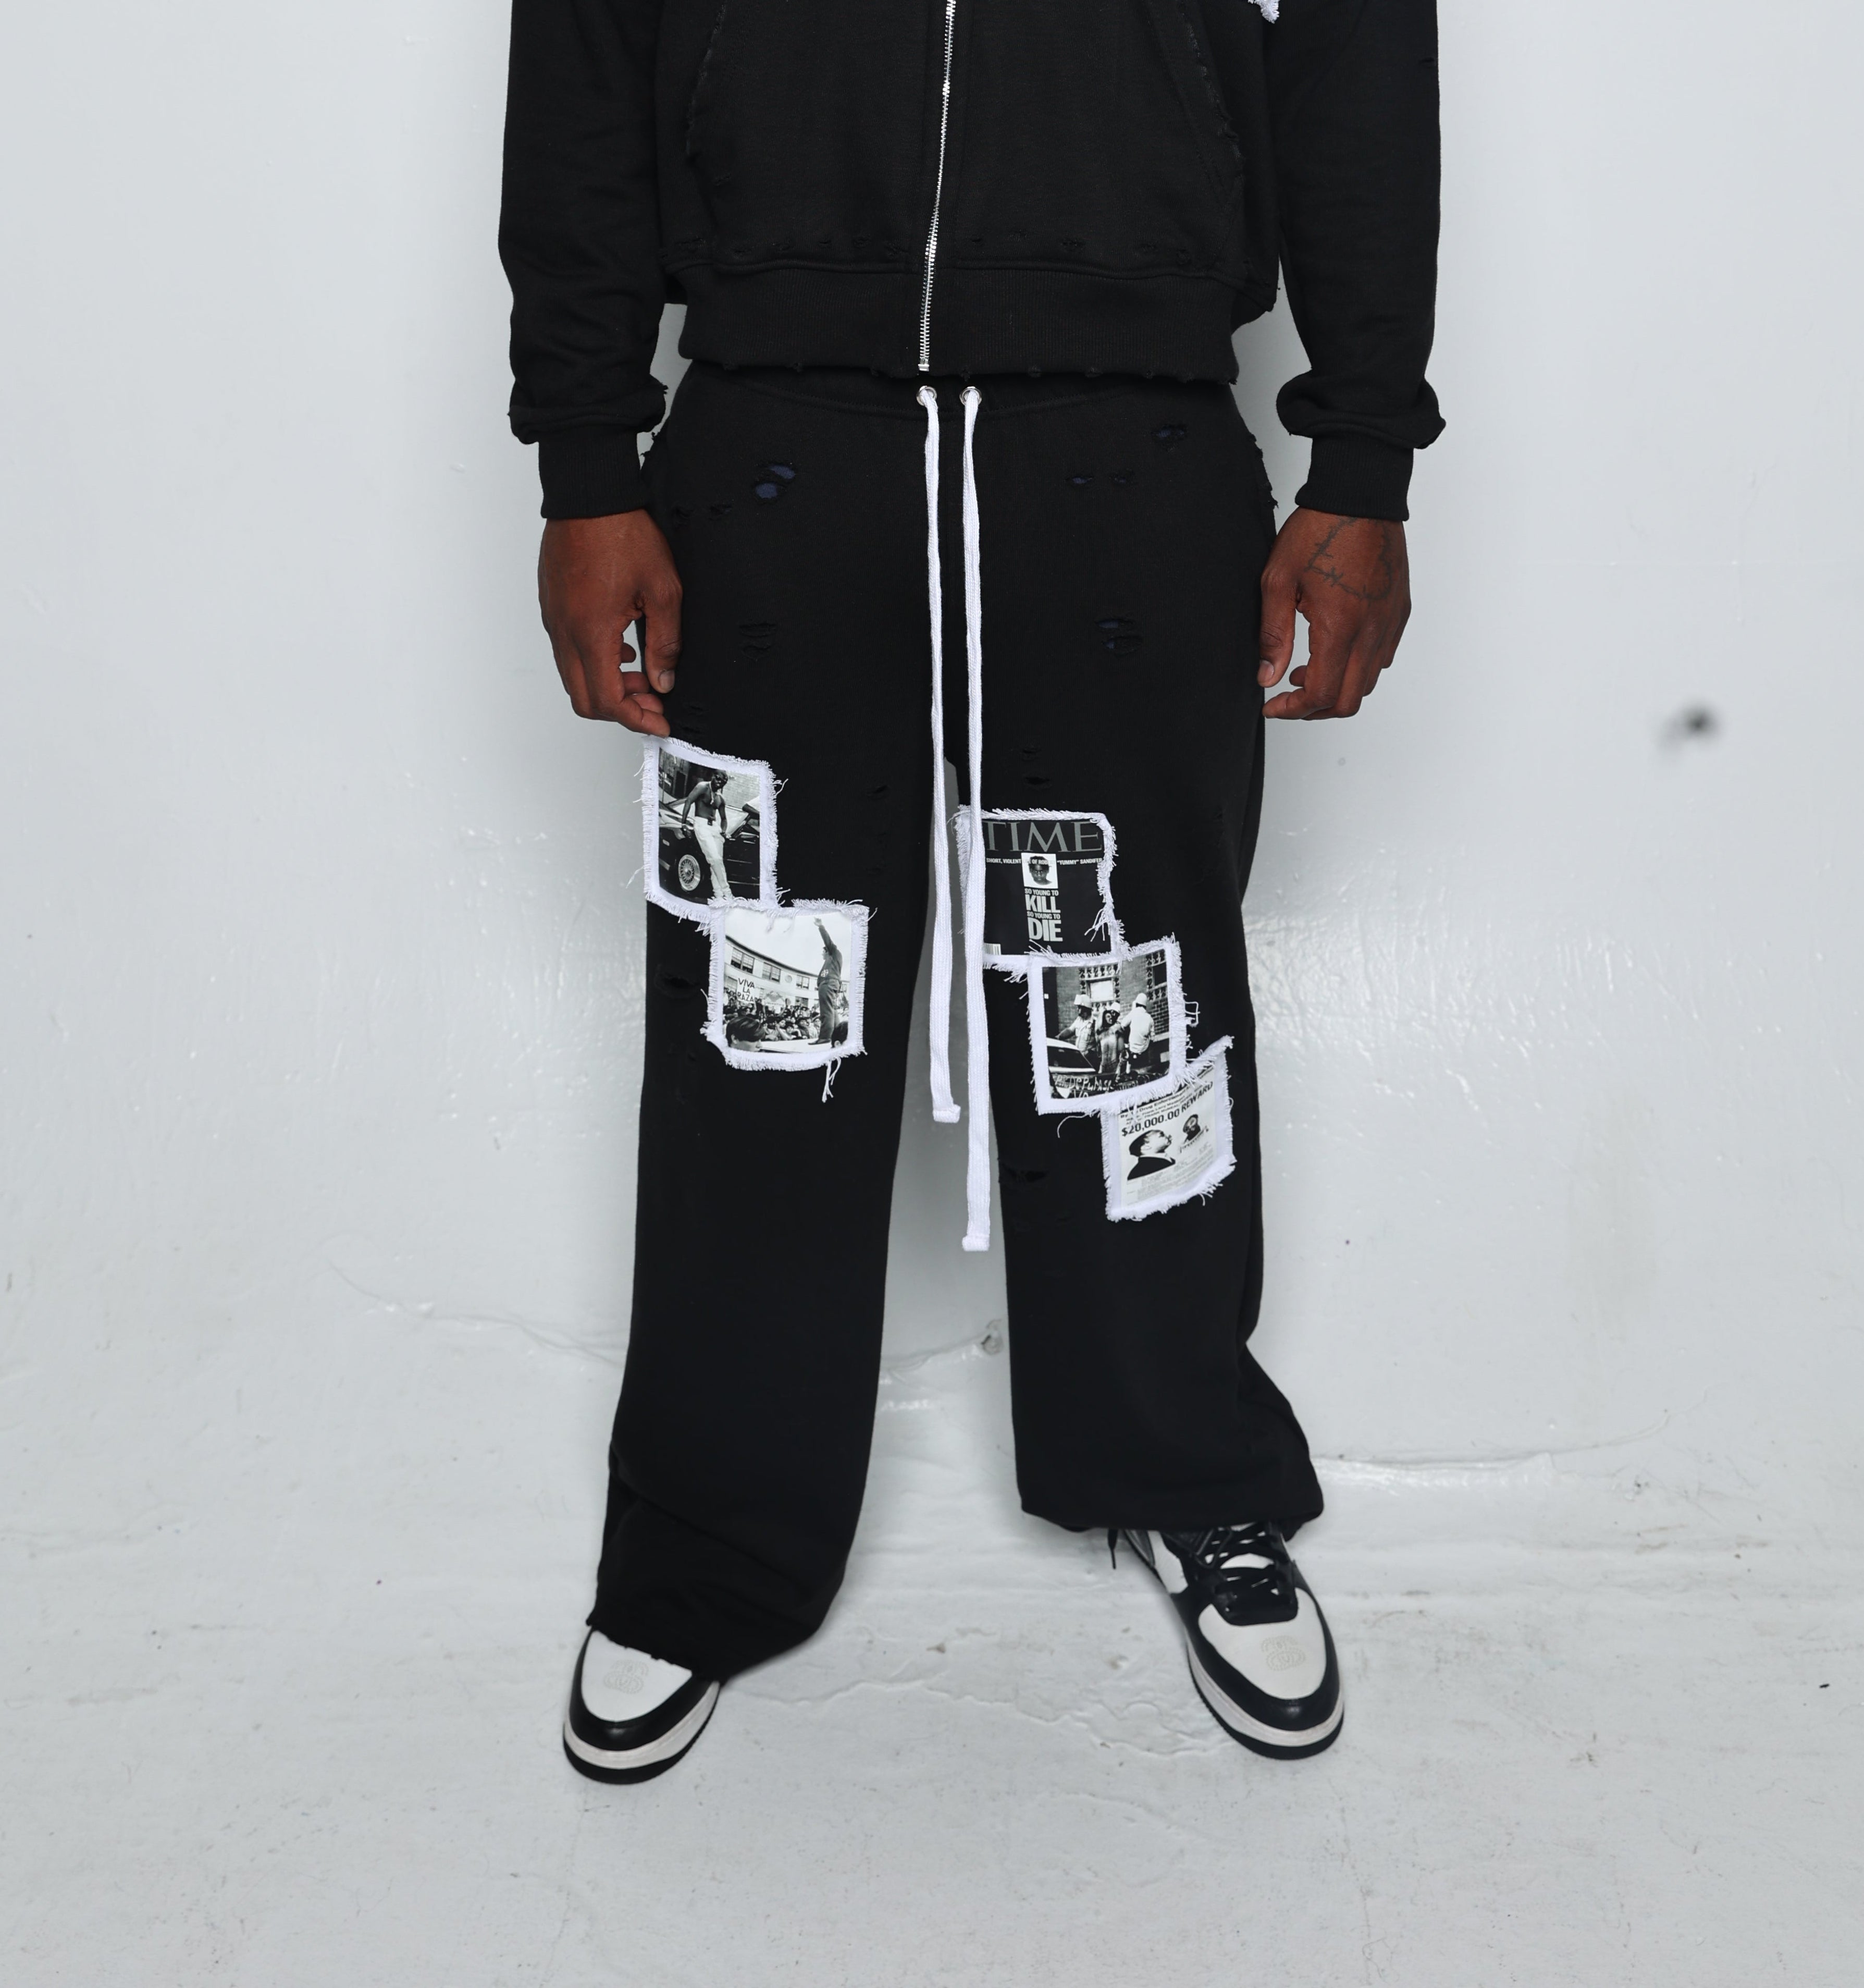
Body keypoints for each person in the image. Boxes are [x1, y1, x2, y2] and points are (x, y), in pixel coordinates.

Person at [502, 0, 1440, 1782]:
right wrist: (585, 454)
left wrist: (1363, 453)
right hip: (772, 429)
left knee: (1130, 1000)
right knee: (759, 1008)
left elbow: (1351, 44)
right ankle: (706, 1535)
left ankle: (1180, 1464)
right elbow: (585, 46)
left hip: (1131, 430)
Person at [678, 768, 731, 898]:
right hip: (701, 825)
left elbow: (724, 819)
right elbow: (689, 801)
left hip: (715, 828)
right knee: (715, 859)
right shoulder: (702, 787)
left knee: (717, 863)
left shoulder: (720, 799)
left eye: (723, 782)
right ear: (713, 776)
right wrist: (683, 824)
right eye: (718, 778)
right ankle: (728, 893)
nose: (719, 782)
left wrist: (723, 831)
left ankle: (719, 896)